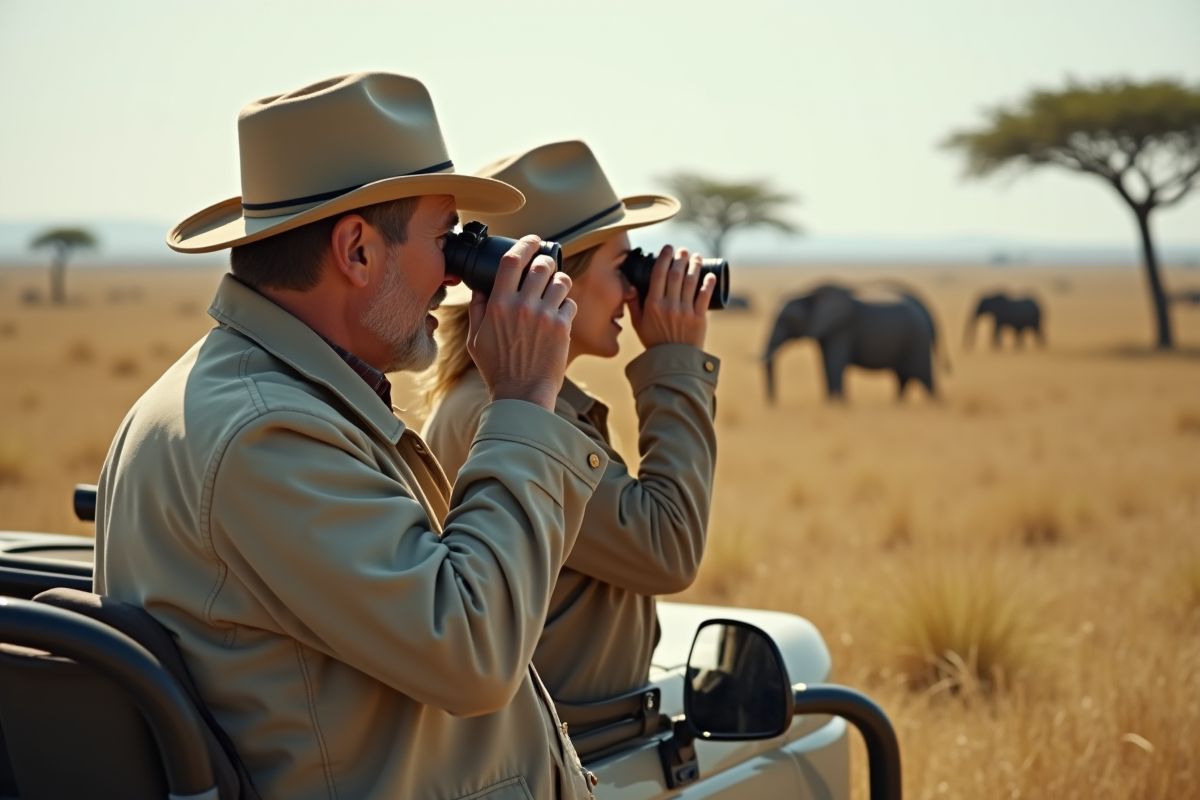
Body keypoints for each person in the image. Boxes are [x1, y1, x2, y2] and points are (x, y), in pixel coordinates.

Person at [93, 73, 608, 800]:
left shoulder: (237, 396)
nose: (457, 280)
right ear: (358, 250)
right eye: (446, 240)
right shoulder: (266, 433)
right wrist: (524, 401)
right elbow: (473, 652)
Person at [422, 140, 720, 704]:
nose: (635, 288)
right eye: (621, 265)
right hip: (573, 754)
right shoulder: (509, 411)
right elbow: (667, 548)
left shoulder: (503, 398)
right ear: (552, 277)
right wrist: (676, 362)